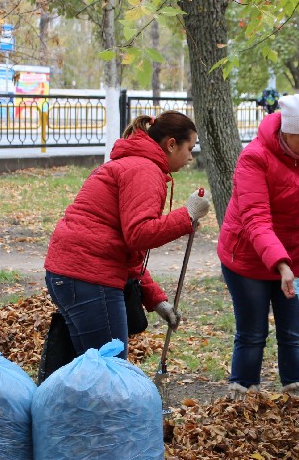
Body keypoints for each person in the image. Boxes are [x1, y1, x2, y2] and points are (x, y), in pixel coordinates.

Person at [44, 111, 210, 360]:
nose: (190, 157)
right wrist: (187, 215)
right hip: (90, 277)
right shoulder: (144, 170)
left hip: (69, 273)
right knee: (109, 369)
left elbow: (125, 248)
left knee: (89, 366)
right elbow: (139, 235)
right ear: (171, 144)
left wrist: (155, 299)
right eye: (190, 148)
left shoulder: (133, 164)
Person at [217, 91, 299, 401]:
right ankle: (242, 398)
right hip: (248, 259)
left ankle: (296, 396)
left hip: (298, 256)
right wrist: (281, 264)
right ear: (287, 131)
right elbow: (255, 218)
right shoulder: (255, 157)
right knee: (252, 333)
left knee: (294, 334)